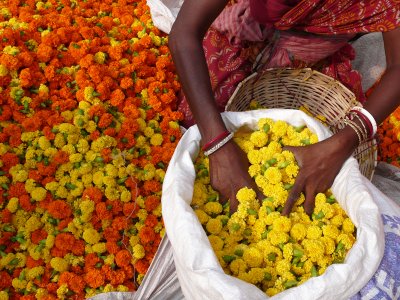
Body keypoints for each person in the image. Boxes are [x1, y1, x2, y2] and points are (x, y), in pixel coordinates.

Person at [168, 0, 400, 215]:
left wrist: (344, 140)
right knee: (193, 124)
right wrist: (217, 143)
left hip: (314, 53)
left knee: (333, 157)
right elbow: (184, 33)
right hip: (250, 31)